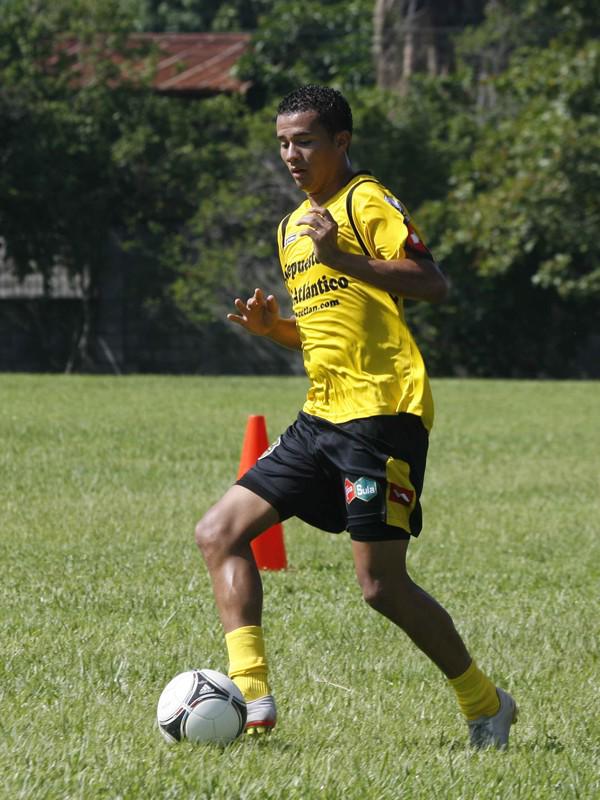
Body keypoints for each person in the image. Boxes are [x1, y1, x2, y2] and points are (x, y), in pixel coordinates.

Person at [195, 85, 517, 748]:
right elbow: (324, 330)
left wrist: (342, 255)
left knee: (380, 586)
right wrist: (275, 327)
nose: (291, 153)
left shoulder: (363, 200)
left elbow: (431, 282)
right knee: (218, 532)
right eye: (284, 141)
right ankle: (251, 696)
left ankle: (486, 704)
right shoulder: (291, 227)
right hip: (320, 416)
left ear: (341, 142)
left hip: (382, 417)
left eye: (305, 140)